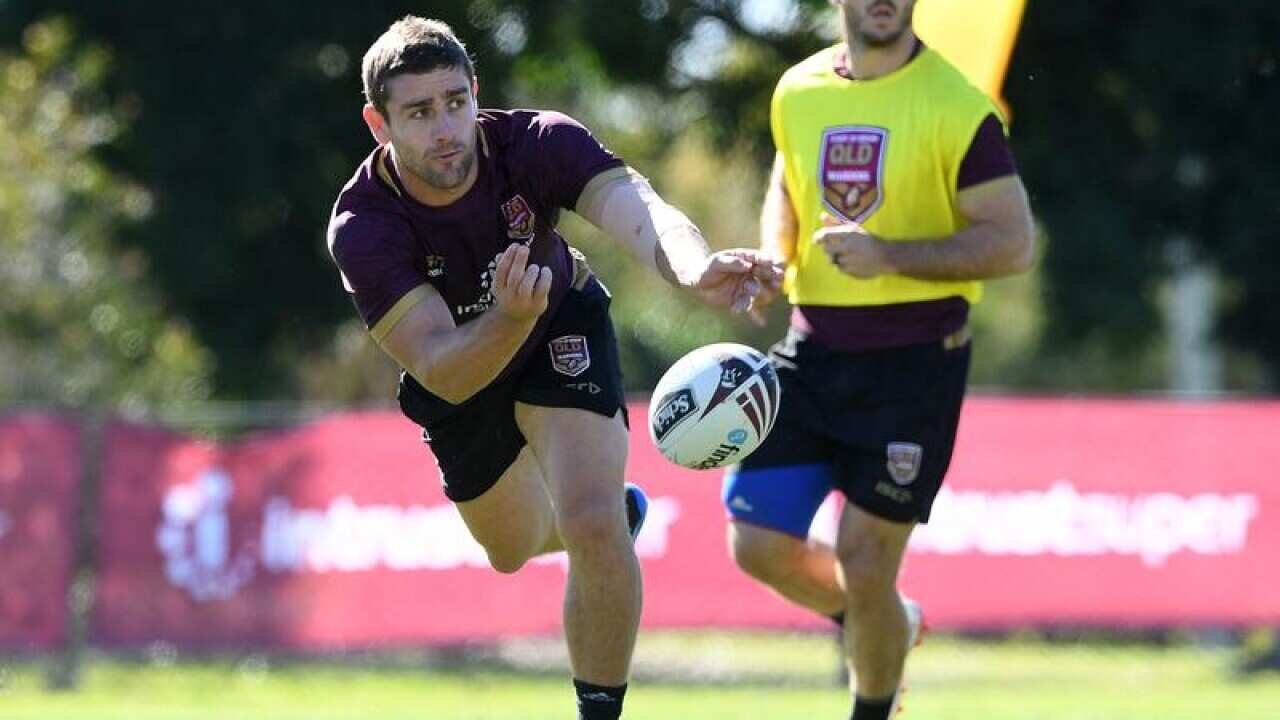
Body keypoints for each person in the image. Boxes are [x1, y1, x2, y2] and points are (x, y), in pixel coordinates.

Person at [326, 16, 779, 720]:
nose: (445, 129)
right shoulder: (364, 226)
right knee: (511, 549)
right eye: (419, 113)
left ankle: (599, 705)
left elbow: (639, 210)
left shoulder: (536, 143)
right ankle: (607, 518)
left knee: (591, 522)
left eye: (455, 102)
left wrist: (695, 269)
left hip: (558, 322)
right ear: (377, 124)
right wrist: (505, 318)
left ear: (476, 93)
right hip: (463, 367)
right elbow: (443, 368)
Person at [721, 1, 1036, 719]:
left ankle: (874, 683)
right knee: (756, 546)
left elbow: (1013, 243)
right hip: (812, 350)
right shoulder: (797, 90)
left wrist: (889, 256)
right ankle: (886, 621)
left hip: (915, 365)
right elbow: (788, 184)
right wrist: (774, 255)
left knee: (864, 562)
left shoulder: (960, 107)